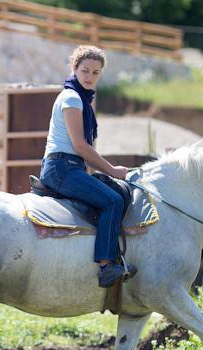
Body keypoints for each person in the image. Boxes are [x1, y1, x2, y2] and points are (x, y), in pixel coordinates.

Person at [39, 45, 137, 288]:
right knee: (113, 200)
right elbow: (80, 146)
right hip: (61, 167)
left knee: (110, 195)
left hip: (71, 167)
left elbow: (83, 153)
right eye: (85, 70)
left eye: (95, 72)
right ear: (74, 68)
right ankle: (106, 266)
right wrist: (112, 171)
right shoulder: (72, 98)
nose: (89, 76)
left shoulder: (83, 99)